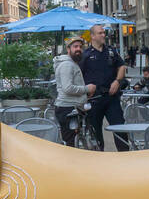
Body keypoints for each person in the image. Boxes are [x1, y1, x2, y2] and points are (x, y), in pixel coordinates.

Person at [80, 23, 130, 151]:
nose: (103, 35)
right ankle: (99, 158)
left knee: (120, 128)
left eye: (103, 32)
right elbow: (78, 76)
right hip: (94, 99)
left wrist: (117, 81)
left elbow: (122, 66)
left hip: (111, 97)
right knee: (95, 132)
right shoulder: (85, 55)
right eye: (100, 33)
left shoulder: (111, 51)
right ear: (92, 36)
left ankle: (125, 157)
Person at [53, 35, 89, 145]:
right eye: (75, 46)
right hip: (67, 109)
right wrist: (87, 89)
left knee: (73, 141)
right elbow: (68, 88)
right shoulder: (67, 65)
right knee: (70, 143)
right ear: (68, 49)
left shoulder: (72, 63)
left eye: (80, 47)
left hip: (73, 107)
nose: (78, 49)